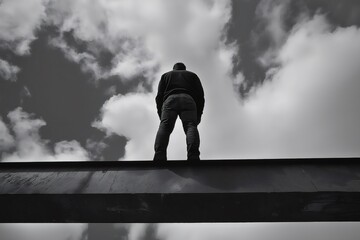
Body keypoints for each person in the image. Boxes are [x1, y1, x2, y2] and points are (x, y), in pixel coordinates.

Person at [154, 62, 204, 161]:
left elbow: (159, 96)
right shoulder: (192, 75)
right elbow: (200, 96)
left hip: (169, 100)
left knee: (165, 126)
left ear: (173, 69)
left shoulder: (165, 76)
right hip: (189, 99)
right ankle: (193, 155)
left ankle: (159, 155)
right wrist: (199, 114)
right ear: (184, 69)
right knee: (190, 126)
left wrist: (161, 113)